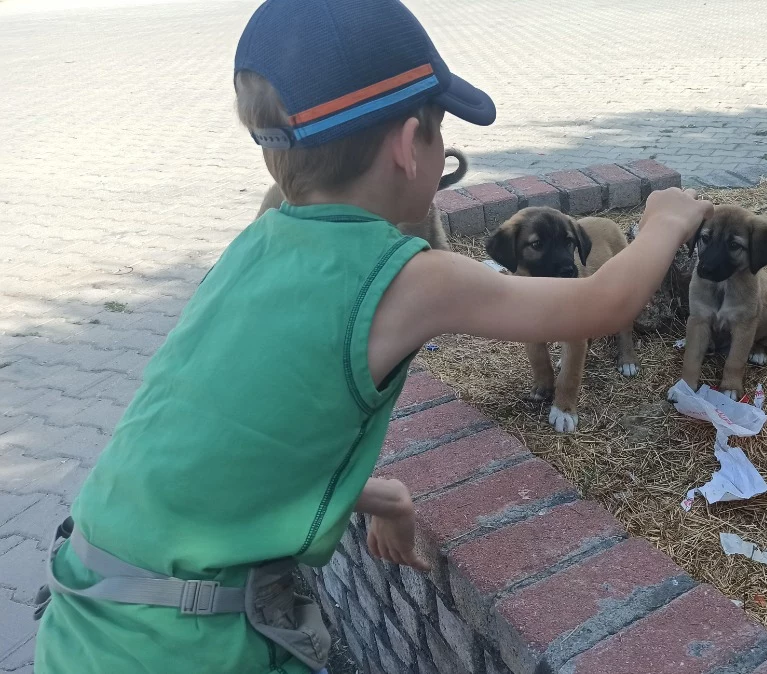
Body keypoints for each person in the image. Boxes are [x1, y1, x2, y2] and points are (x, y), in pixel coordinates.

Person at [32, 0, 712, 672]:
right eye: (440, 134)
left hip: (88, 612)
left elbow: (238, 434)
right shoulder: (409, 279)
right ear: (404, 147)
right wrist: (665, 219)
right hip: (185, 649)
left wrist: (378, 494)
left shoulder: (249, 252)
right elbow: (602, 303)